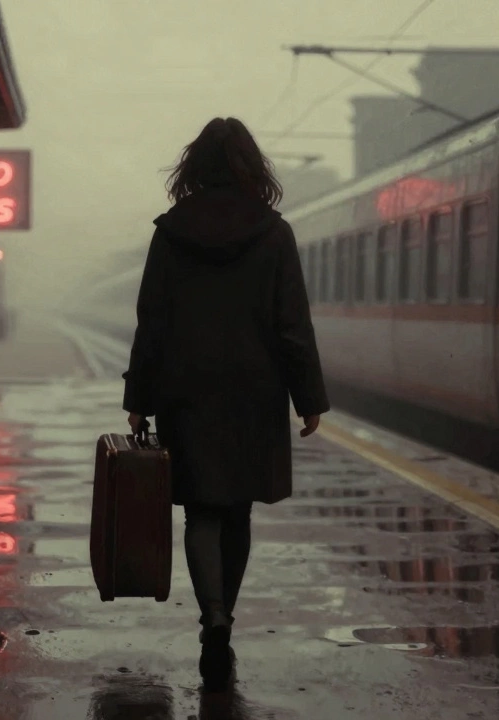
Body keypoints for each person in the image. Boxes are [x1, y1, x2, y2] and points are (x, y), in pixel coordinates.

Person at [121, 116, 329, 691]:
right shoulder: (274, 233)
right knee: (238, 509)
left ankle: (211, 615)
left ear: (194, 167)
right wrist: (308, 398)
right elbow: (293, 325)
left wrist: (138, 398)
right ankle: (224, 620)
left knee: (201, 512)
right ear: (251, 167)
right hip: (254, 390)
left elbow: (152, 323)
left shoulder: (170, 233)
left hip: (185, 389)